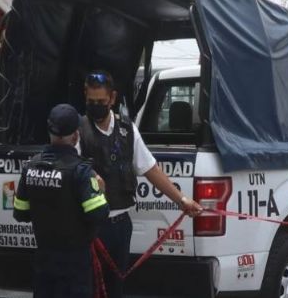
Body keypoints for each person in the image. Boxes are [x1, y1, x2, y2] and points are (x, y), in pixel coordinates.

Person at [78, 70, 203, 297]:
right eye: (91, 102)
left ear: (112, 99)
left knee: (116, 288)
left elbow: (151, 170)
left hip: (120, 226)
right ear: (85, 97)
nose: (96, 106)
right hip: (90, 228)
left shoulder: (127, 130)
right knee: (90, 288)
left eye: (101, 102)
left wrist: (182, 200)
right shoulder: (78, 131)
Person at [13, 104, 110, 298]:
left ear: (49, 131)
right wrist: (101, 190)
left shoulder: (30, 167)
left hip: (44, 260)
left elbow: (20, 213)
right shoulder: (81, 171)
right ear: (76, 136)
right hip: (75, 264)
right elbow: (99, 214)